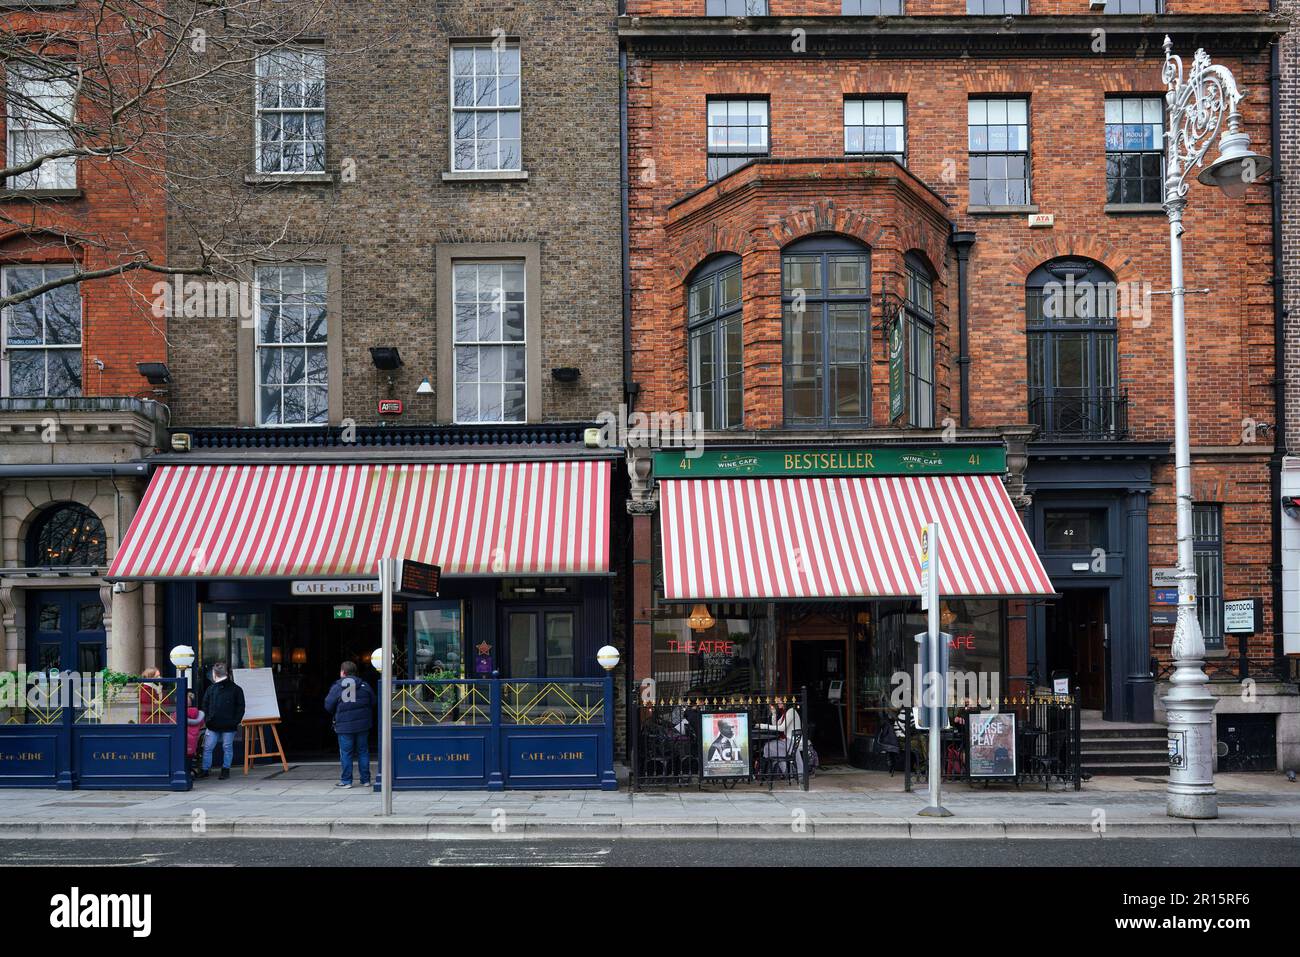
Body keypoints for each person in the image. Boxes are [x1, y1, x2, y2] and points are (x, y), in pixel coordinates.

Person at [324, 660, 375, 789]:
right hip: (363, 725)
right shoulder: (364, 685)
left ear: (343, 672)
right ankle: (366, 780)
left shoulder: (337, 687)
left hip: (344, 726)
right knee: (363, 751)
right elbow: (374, 702)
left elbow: (328, 705)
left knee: (346, 753)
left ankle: (347, 781)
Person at [199, 662, 245, 780]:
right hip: (218, 724)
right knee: (221, 747)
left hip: (222, 724)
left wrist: (208, 719)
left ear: (215, 674)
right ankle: (212, 769)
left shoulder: (233, 689)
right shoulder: (234, 689)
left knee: (214, 747)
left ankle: (218, 769)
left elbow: (240, 707)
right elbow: (205, 704)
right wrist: (208, 719)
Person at [185, 692, 206, 772]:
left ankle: (186, 771)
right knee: (190, 757)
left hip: (182, 742)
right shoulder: (198, 714)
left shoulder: (178, 714)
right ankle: (189, 772)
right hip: (194, 743)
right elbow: (202, 725)